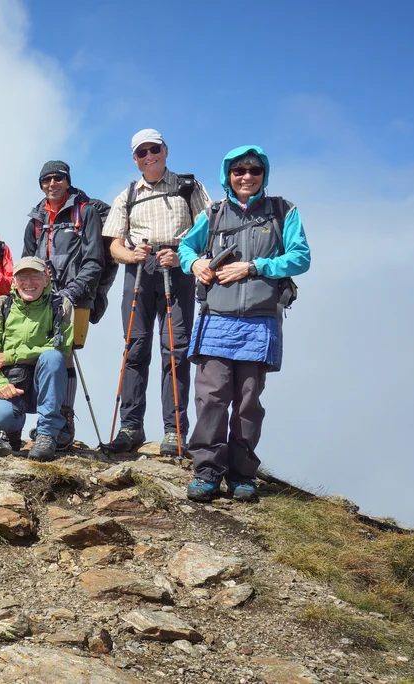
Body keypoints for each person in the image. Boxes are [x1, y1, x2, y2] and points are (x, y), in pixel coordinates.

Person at [178, 146, 310, 503]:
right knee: (212, 397)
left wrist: (253, 267)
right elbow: (185, 248)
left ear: (264, 173)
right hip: (216, 319)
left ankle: (242, 475)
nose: (247, 177)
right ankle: (206, 470)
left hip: (260, 320)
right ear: (228, 175)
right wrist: (194, 265)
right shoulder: (214, 213)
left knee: (248, 400)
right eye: (239, 171)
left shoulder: (283, 211)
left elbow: (300, 258)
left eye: (254, 170)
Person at [101, 129, 212, 455]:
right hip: (139, 272)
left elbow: (209, 232)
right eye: (141, 153)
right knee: (134, 349)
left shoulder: (188, 187)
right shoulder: (128, 195)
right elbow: (115, 246)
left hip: (177, 269)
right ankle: (130, 427)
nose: (149, 156)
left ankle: (174, 430)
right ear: (135, 159)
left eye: (154, 149)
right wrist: (130, 255)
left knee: (175, 350)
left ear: (165, 150)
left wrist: (183, 256)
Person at [21, 161, 107, 450]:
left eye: (58, 178)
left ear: (68, 181)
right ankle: (50, 418)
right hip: (44, 297)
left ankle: (63, 418)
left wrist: (73, 291)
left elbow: (94, 260)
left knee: (65, 352)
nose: (52, 183)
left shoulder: (86, 212)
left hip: (76, 296)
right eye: (46, 179)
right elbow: (27, 262)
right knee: (43, 353)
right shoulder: (36, 220)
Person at [0, 257, 73, 460]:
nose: (29, 282)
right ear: (13, 281)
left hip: (42, 383)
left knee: (52, 358)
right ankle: (12, 433)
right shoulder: (1, 305)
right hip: (10, 381)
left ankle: (47, 435)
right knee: (2, 416)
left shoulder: (60, 305)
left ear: (46, 280)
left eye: (35, 276)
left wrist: (12, 355)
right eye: (23, 277)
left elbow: (61, 349)